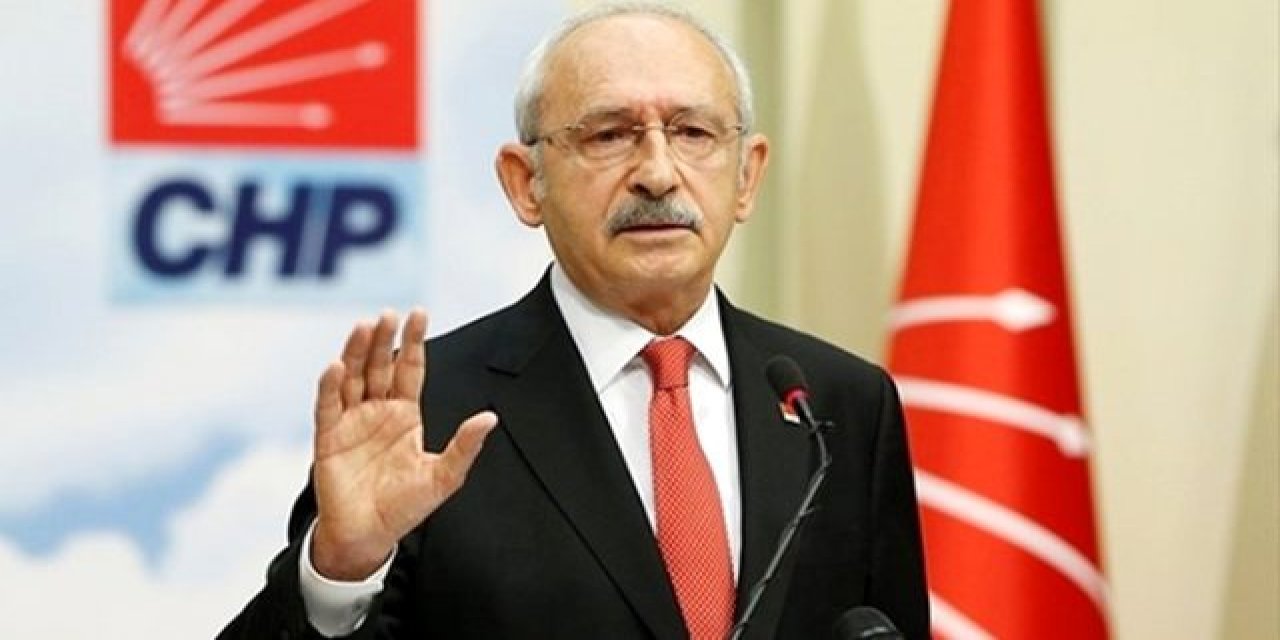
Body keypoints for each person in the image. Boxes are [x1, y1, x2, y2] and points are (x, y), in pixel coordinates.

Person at [220, 3, 928, 639]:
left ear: (746, 175)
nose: (658, 173)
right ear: (525, 183)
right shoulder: (426, 410)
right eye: (610, 135)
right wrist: (341, 572)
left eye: (693, 132)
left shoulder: (839, 405)